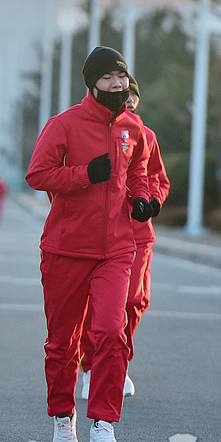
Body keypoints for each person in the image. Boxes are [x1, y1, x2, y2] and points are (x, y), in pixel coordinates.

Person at [27, 46, 152, 442]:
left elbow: (140, 173)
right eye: (108, 78)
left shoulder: (132, 127)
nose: (117, 85)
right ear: (92, 82)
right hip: (65, 249)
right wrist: (84, 175)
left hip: (117, 249)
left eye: (122, 77)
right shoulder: (64, 124)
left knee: (112, 334)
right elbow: (38, 174)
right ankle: (64, 421)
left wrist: (143, 198)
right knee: (63, 343)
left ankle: (103, 424)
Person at [79, 75, 170, 400]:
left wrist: (153, 201)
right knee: (101, 309)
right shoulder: (96, 133)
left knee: (135, 301)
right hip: (103, 233)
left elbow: (157, 176)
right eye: (123, 94)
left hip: (138, 233)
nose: (128, 100)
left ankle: (118, 362)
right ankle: (91, 367)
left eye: (133, 95)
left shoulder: (145, 135)